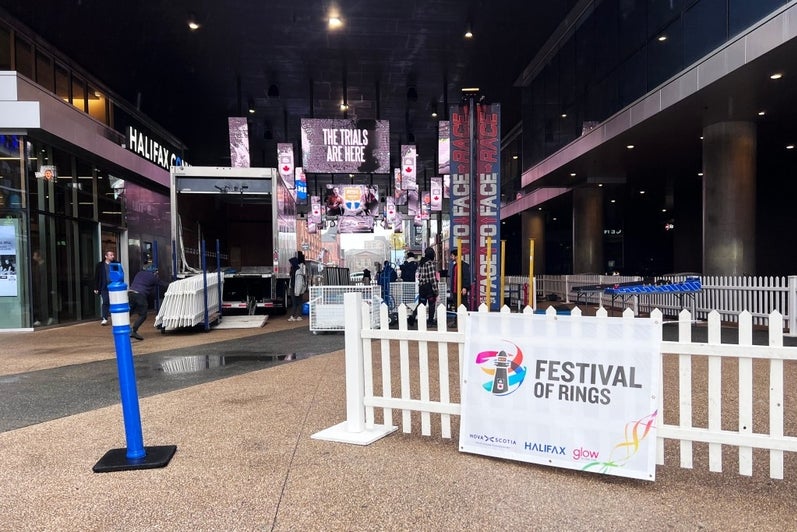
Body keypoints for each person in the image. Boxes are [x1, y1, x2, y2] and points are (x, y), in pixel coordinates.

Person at [128, 265, 167, 340]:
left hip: (130, 293)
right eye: (156, 272)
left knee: (130, 310)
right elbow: (162, 284)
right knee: (143, 314)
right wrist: (173, 284)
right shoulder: (153, 277)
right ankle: (134, 331)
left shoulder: (139, 273)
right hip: (140, 295)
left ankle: (124, 326)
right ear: (154, 272)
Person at [416, 247, 438, 323]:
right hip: (429, 288)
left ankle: (414, 318)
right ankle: (430, 321)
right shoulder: (430, 263)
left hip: (422, 287)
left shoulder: (421, 263)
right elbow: (432, 278)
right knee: (431, 304)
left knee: (421, 304)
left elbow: (419, 276)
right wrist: (436, 291)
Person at [93, 250, 115, 325]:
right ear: (106, 256)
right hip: (104, 286)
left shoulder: (116, 264)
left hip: (113, 286)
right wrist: (96, 287)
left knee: (114, 302)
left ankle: (114, 316)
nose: (112, 256)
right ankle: (105, 318)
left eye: (113, 255)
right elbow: (97, 276)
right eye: (111, 255)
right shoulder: (100, 265)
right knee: (105, 301)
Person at [31, 250, 51, 326]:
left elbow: (45, 279)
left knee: (44, 303)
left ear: (39, 257)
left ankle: (46, 318)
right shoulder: (37, 265)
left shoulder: (44, 266)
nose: (33, 257)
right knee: (40, 303)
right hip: (38, 288)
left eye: (35, 256)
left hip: (43, 288)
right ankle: (41, 318)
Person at [288, 251, 307, 321]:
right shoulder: (294, 270)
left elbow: (299, 283)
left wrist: (297, 292)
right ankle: (295, 316)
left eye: (291, 263)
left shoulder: (298, 271)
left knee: (297, 303)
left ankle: (297, 316)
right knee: (296, 303)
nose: (290, 264)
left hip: (297, 289)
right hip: (294, 288)